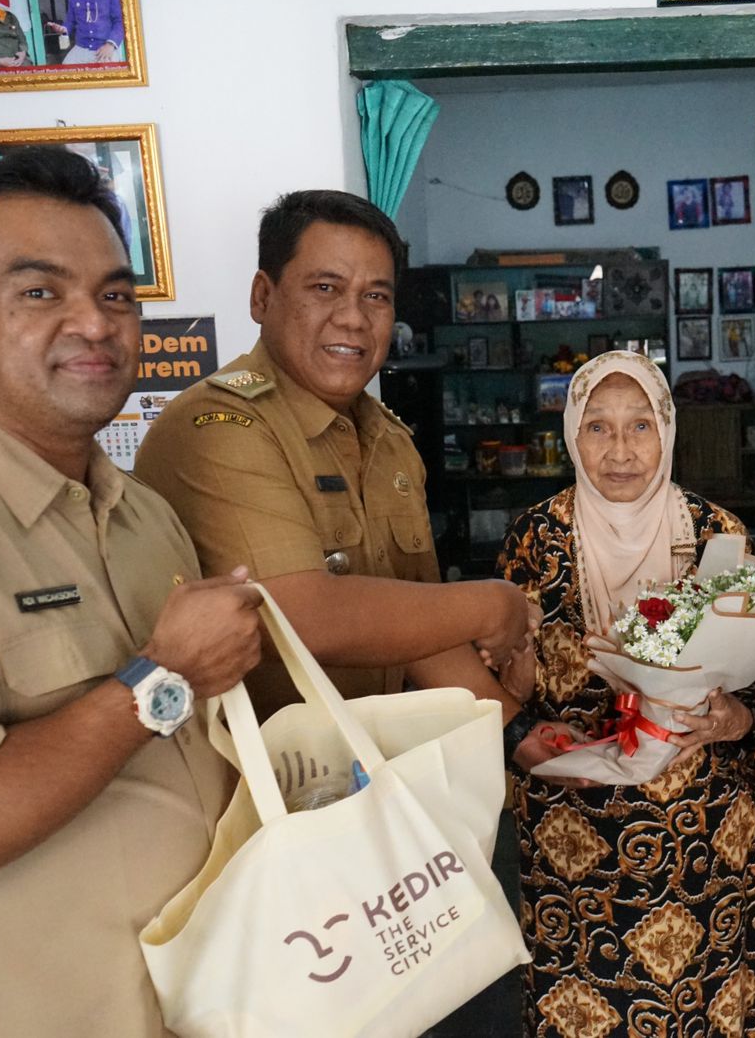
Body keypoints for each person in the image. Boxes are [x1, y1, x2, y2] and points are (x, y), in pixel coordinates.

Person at [0, 147, 265, 1036]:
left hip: (203, 998)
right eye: (39, 293)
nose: (95, 324)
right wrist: (161, 677)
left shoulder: (146, 516)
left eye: (115, 294)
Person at [132, 190, 562, 766]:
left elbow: (413, 629)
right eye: (325, 288)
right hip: (256, 797)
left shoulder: (386, 438)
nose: (354, 317)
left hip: (367, 778)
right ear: (263, 296)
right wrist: (492, 603)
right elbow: (301, 616)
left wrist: (519, 732)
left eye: (376, 296)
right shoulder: (217, 427)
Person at [495, 352, 755, 1036]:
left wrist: (735, 717)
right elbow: (502, 676)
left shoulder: (718, 535)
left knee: (707, 1008)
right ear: (571, 434)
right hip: (578, 832)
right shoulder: (536, 538)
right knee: (585, 1004)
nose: (620, 451)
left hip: (704, 835)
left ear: (668, 431)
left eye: (640, 426)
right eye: (598, 427)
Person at [45, 0, 124, 65]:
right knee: (65, 70)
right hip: (81, 48)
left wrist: (110, 45)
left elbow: (119, 21)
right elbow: (70, 21)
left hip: (104, 48)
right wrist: (63, 29)